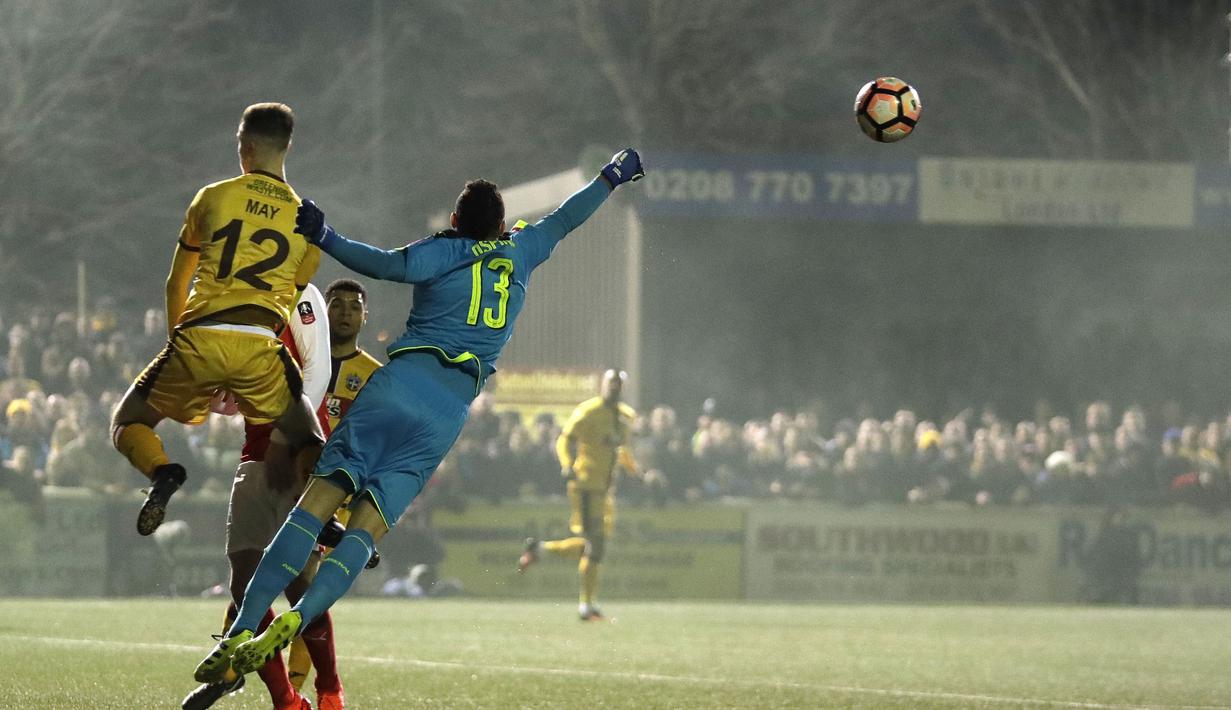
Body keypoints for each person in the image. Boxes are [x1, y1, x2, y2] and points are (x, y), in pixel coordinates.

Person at [193, 148, 645, 683]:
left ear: (455, 220)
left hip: (399, 386)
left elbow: (383, 264)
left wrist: (324, 235)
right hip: (445, 415)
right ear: (502, 225)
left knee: (313, 509)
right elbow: (567, 216)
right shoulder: (523, 250)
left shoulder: (443, 251)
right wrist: (611, 177)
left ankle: (242, 627)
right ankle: (300, 617)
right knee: (364, 531)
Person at [110, 103, 325, 537]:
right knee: (310, 438)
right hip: (259, 341)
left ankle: (163, 473)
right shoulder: (308, 221)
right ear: (287, 147)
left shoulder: (212, 197)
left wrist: (178, 347)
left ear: (245, 147)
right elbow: (289, 299)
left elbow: (176, 283)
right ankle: (324, 515)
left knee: (126, 421)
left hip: (199, 336)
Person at [184, 279, 382, 710]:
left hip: (306, 468)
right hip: (254, 457)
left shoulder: (305, 303)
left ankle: (327, 691)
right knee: (244, 585)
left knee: (298, 587)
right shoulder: (247, 306)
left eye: (354, 306)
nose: (345, 313)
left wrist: (360, 507)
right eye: (339, 304)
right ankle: (281, 696)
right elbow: (234, 393)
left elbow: (328, 390)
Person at [518, 368, 641, 621]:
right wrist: (567, 465)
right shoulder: (588, 411)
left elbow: (621, 450)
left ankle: (540, 550)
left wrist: (636, 472)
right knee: (596, 544)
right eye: (611, 383)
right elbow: (564, 440)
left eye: (618, 384)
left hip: (606, 490)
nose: (614, 387)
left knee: (594, 546)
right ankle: (586, 606)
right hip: (585, 486)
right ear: (602, 385)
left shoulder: (626, 416)